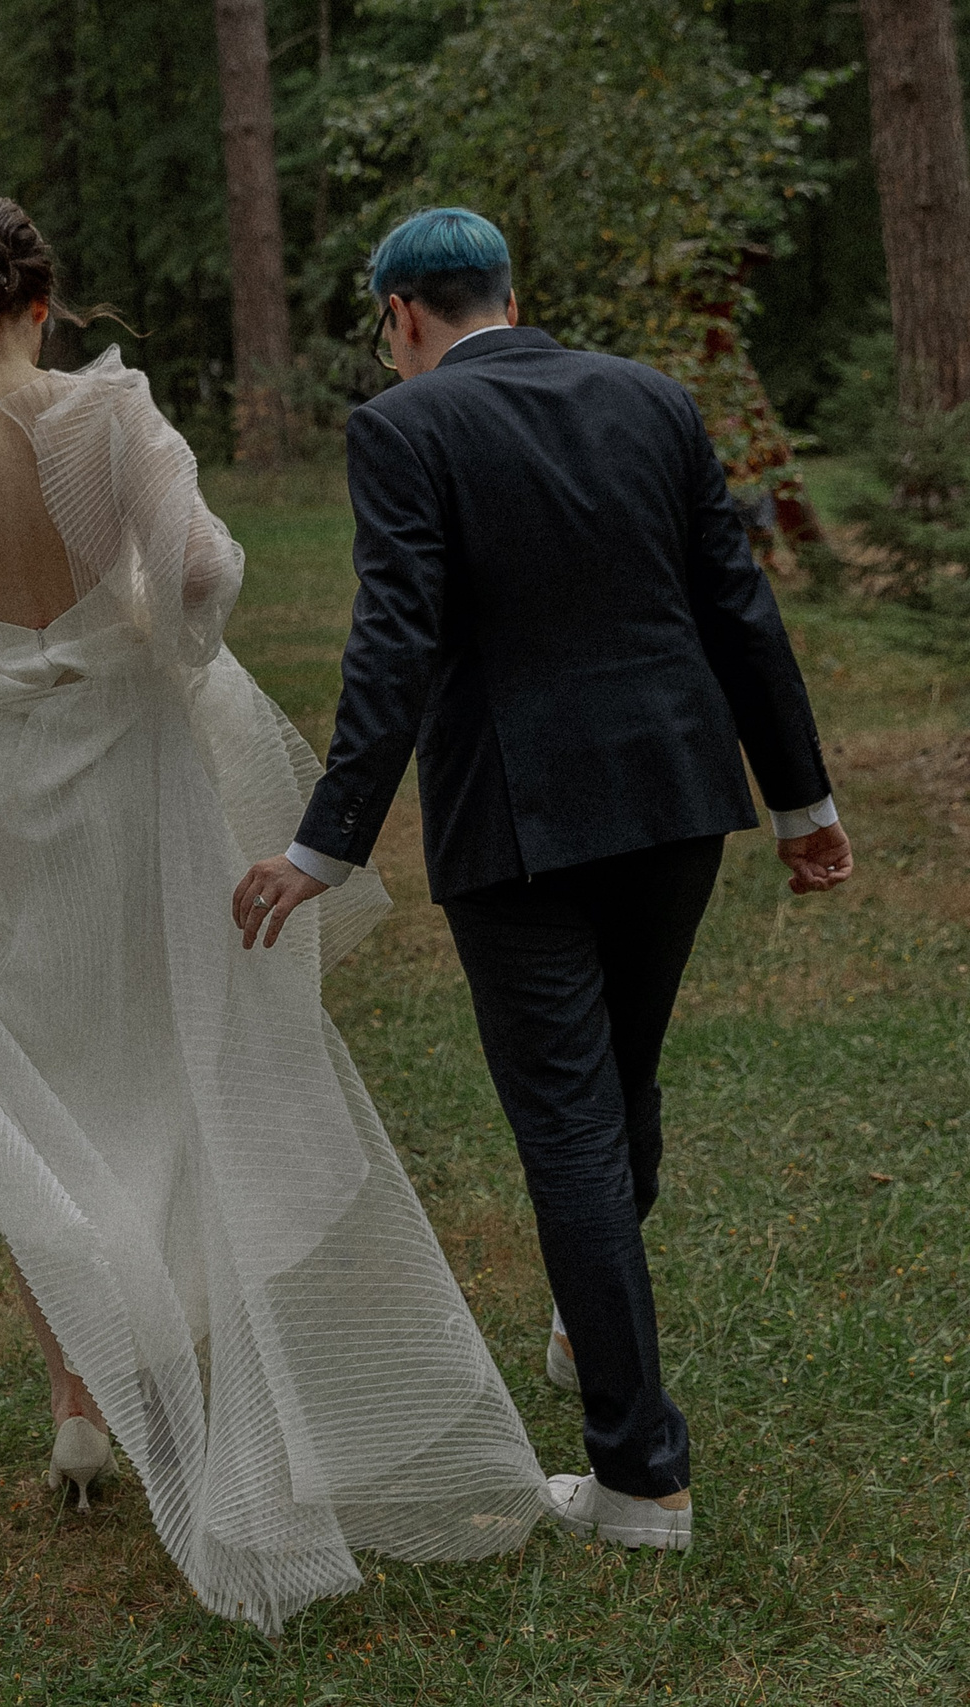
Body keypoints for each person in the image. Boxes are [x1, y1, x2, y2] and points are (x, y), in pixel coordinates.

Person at [0, 194, 544, 1637]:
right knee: (178, 1059)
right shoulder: (116, 418)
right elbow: (192, 573)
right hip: (134, 776)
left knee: (40, 1086)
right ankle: (208, 1368)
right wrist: (161, 629)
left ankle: (79, 1398)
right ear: (45, 304)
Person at [236, 208, 853, 1557]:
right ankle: (592, 1320)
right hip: (679, 801)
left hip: (519, 824)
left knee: (573, 1126)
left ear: (401, 315)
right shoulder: (654, 397)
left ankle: (639, 1483)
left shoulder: (403, 429)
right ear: (512, 293)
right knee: (616, 1087)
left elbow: (392, 644)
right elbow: (738, 605)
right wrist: (802, 799)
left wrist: (318, 845)